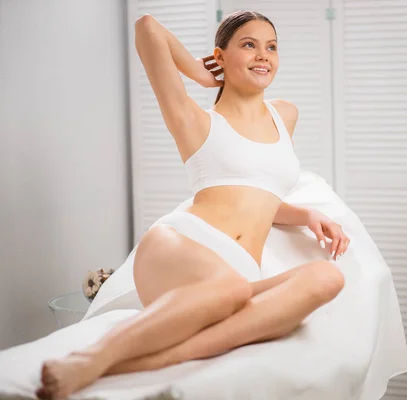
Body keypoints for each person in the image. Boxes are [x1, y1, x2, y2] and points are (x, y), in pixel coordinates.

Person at [36, 10, 350, 399]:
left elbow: (258, 191)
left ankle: (151, 359)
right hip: (180, 245)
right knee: (231, 289)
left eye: (271, 47)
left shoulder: (285, 115)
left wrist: (306, 214)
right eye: (248, 45)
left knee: (327, 278)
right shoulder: (194, 119)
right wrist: (201, 74)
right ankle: (92, 358)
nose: (263, 55)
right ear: (220, 57)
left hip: (237, 273)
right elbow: (146, 28)